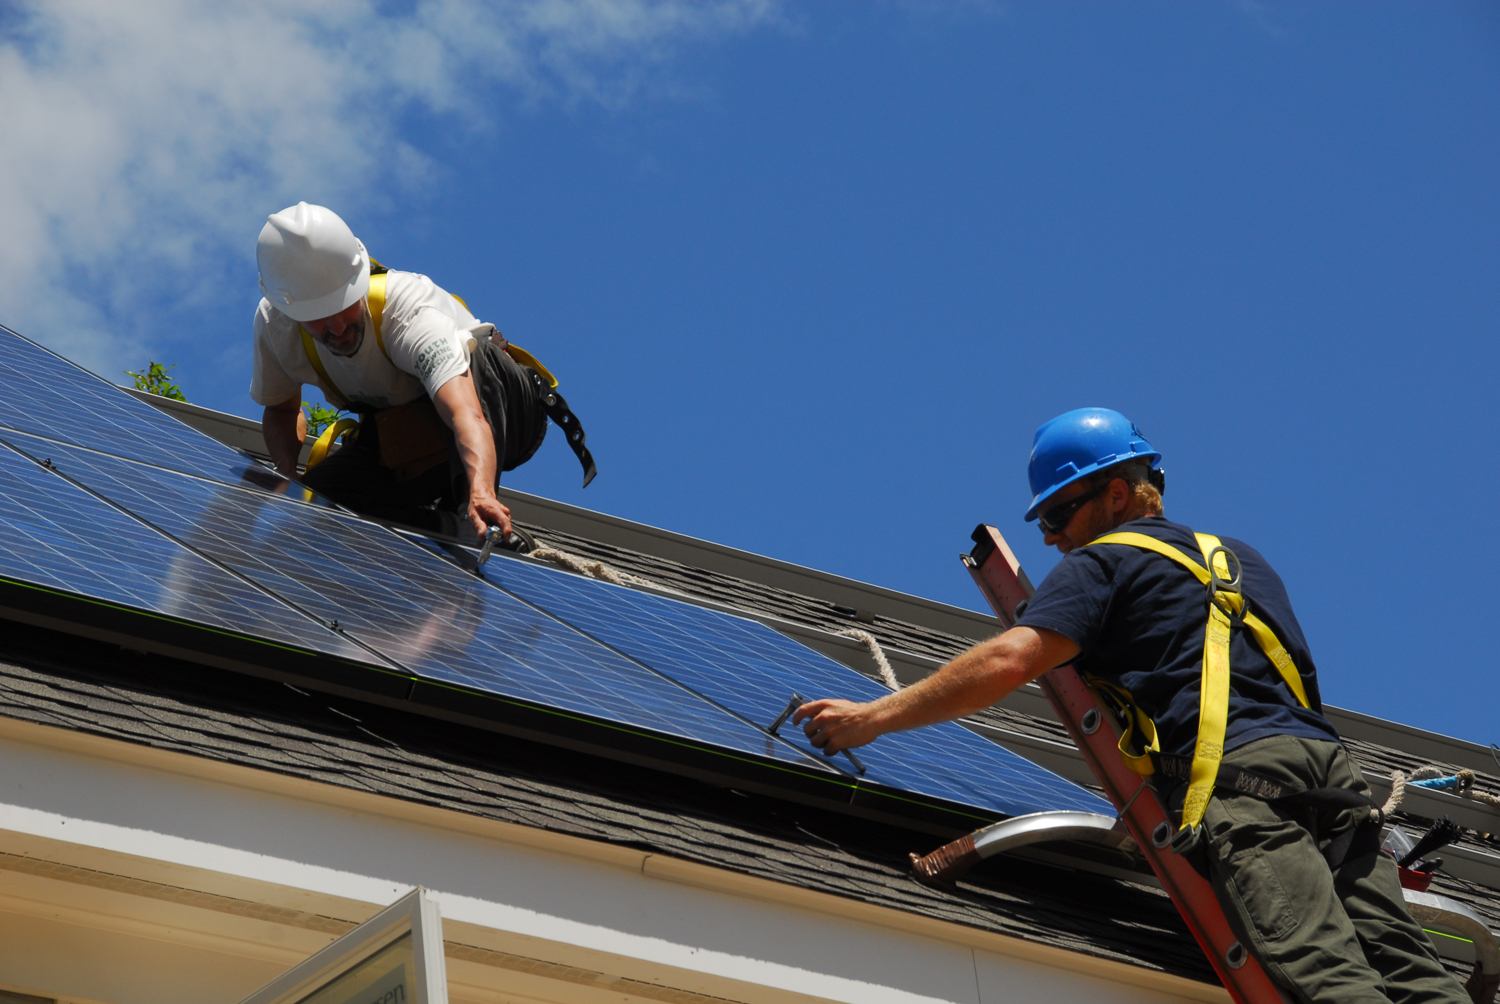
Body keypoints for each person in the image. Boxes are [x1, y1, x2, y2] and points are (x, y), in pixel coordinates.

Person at [795, 407, 1468, 1004]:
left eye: (1058, 515)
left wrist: (873, 717)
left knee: (1323, 975)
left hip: (1244, 788)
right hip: (1333, 785)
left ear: (1115, 493)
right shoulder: (1241, 560)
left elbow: (1008, 660)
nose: (1052, 538)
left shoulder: (1104, 565)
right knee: (1416, 975)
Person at [250, 202, 593, 543]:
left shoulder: (407, 312)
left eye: (344, 305)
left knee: (473, 356)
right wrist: (284, 473)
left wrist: (482, 491)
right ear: (288, 309)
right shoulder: (275, 327)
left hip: (505, 412)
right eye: (319, 317)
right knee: (321, 500)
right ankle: (448, 531)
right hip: (412, 436)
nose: (337, 327)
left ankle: (472, 510)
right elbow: (281, 409)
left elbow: (465, 413)